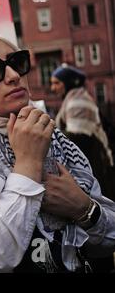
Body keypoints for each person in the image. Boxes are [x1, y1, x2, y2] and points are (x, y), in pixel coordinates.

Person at [0, 32, 115, 273]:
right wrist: (27, 163)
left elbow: (109, 241)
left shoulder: (53, 138)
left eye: (17, 62)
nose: (14, 76)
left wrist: (84, 209)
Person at [50, 65, 114, 201]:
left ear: (68, 83)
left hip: (94, 163)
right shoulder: (72, 98)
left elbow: (76, 137)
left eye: (56, 83)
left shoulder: (78, 100)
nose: (53, 88)